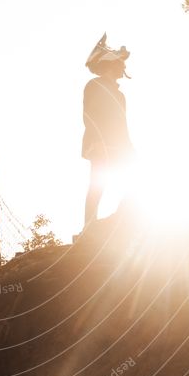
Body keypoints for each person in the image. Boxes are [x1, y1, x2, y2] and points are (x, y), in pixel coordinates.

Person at [81, 31, 133, 229]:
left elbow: (122, 125)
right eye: (121, 63)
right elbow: (90, 116)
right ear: (111, 63)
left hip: (119, 146)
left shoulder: (119, 95)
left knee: (132, 179)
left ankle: (126, 222)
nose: (124, 66)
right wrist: (96, 142)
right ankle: (89, 227)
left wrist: (129, 147)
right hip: (100, 144)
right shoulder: (94, 85)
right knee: (98, 185)